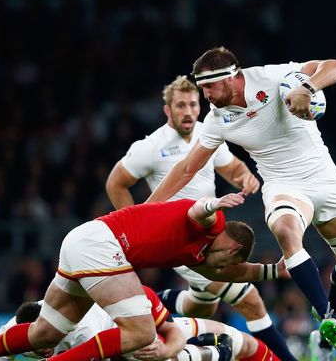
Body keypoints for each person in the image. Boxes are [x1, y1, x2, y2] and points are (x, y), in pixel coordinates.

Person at [146, 47, 336, 355]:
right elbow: (186, 168)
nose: (206, 95)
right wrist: (145, 210)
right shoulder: (216, 120)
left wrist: (309, 86)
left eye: (209, 86)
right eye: (202, 88)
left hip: (325, 180)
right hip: (282, 186)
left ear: (232, 77)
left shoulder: (271, 77)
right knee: (287, 233)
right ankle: (329, 318)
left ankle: (329, 317)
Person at [0, 194, 288, 361]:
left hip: (82, 243)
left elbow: (235, 270)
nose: (221, 270)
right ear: (233, 248)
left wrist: (275, 270)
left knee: (46, 332)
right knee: (140, 331)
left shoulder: (195, 256)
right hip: (103, 246)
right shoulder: (212, 227)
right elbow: (196, 211)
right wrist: (214, 203)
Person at [106, 75, 295, 361]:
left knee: (203, 306)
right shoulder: (151, 146)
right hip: (179, 240)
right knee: (251, 300)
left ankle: (159, 300)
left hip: (209, 235)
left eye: (193, 104)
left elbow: (231, 167)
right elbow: (115, 183)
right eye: (180, 105)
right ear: (168, 110)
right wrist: (135, 225)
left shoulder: (207, 136)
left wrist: (244, 177)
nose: (188, 111)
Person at [0, 286, 279, 361]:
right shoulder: (13, 333)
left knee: (144, 352)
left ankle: (213, 353)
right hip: (127, 332)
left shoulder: (81, 330)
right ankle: (212, 352)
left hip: (125, 337)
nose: (44, 349)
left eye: (47, 343)